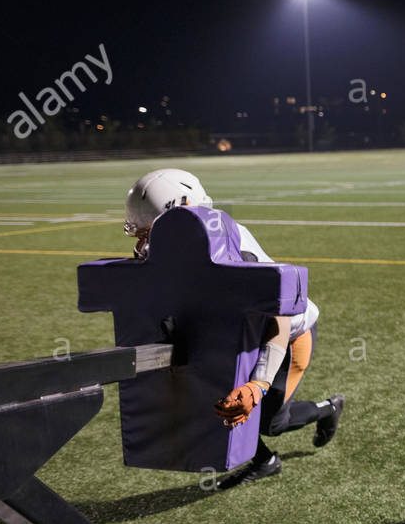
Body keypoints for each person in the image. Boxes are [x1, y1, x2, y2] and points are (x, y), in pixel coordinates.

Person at [123, 168, 345, 490]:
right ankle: (264, 460)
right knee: (214, 398)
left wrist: (259, 383)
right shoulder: (187, 247)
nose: (143, 244)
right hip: (238, 333)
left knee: (270, 422)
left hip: (287, 335)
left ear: (180, 218)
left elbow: (278, 316)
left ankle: (328, 409)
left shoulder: (230, 250)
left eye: (148, 234)